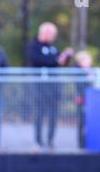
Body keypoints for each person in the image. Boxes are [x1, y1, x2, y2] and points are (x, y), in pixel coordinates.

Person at [27, 22, 73, 150]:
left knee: (53, 114)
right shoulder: (33, 45)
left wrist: (65, 56)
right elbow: (38, 60)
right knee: (39, 114)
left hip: (53, 87)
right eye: (51, 33)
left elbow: (59, 63)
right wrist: (56, 60)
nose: (53, 36)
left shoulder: (52, 48)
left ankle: (50, 141)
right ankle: (38, 141)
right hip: (39, 87)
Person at [74, 50, 93, 149]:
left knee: (89, 122)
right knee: (81, 122)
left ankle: (87, 141)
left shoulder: (91, 71)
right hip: (81, 100)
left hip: (90, 100)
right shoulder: (78, 72)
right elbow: (79, 86)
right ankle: (80, 143)